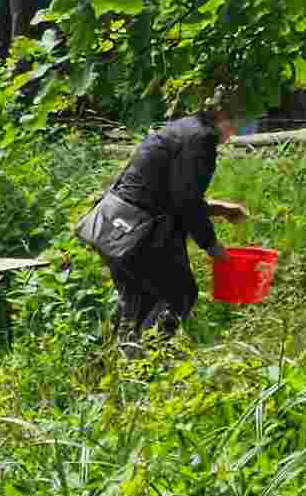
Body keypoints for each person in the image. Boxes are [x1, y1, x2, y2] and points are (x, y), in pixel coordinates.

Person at [83, 95, 255, 341]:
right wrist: (212, 246)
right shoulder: (203, 139)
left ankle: (117, 362)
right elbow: (185, 201)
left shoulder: (182, 128)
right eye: (234, 123)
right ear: (222, 118)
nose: (235, 132)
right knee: (179, 293)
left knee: (136, 301)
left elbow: (169, 191)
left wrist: (222, 209)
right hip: (139, 230)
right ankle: (151, 362)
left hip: (114, 224)